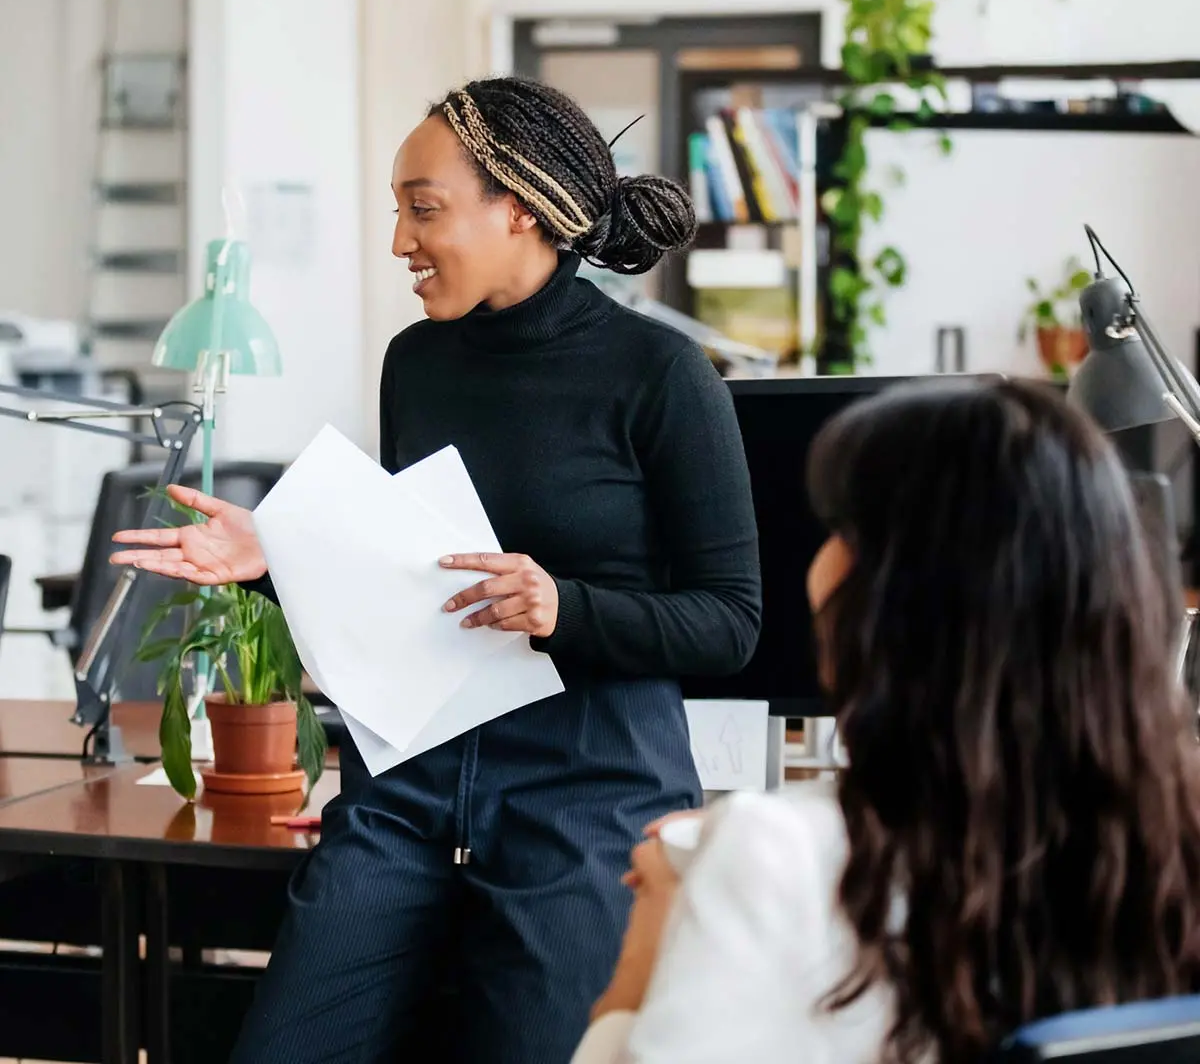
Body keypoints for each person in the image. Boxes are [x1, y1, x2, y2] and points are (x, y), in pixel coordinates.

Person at [111, 76, 761, 1063]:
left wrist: (561, 606)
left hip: (585, 786)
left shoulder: (659, 375)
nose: (400, 242)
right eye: (397, 211)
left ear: (522, 208)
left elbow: (730, 622)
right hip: (411, 783)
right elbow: (409, 576)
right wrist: (271, 558)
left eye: (424, 209)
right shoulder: (416, 361)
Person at [573, 377, 1200, 1064]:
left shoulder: (780, 853)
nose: (818, 563)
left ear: (903, 597)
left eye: (842, 533)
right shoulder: (1168, 836)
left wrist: (639, 970)